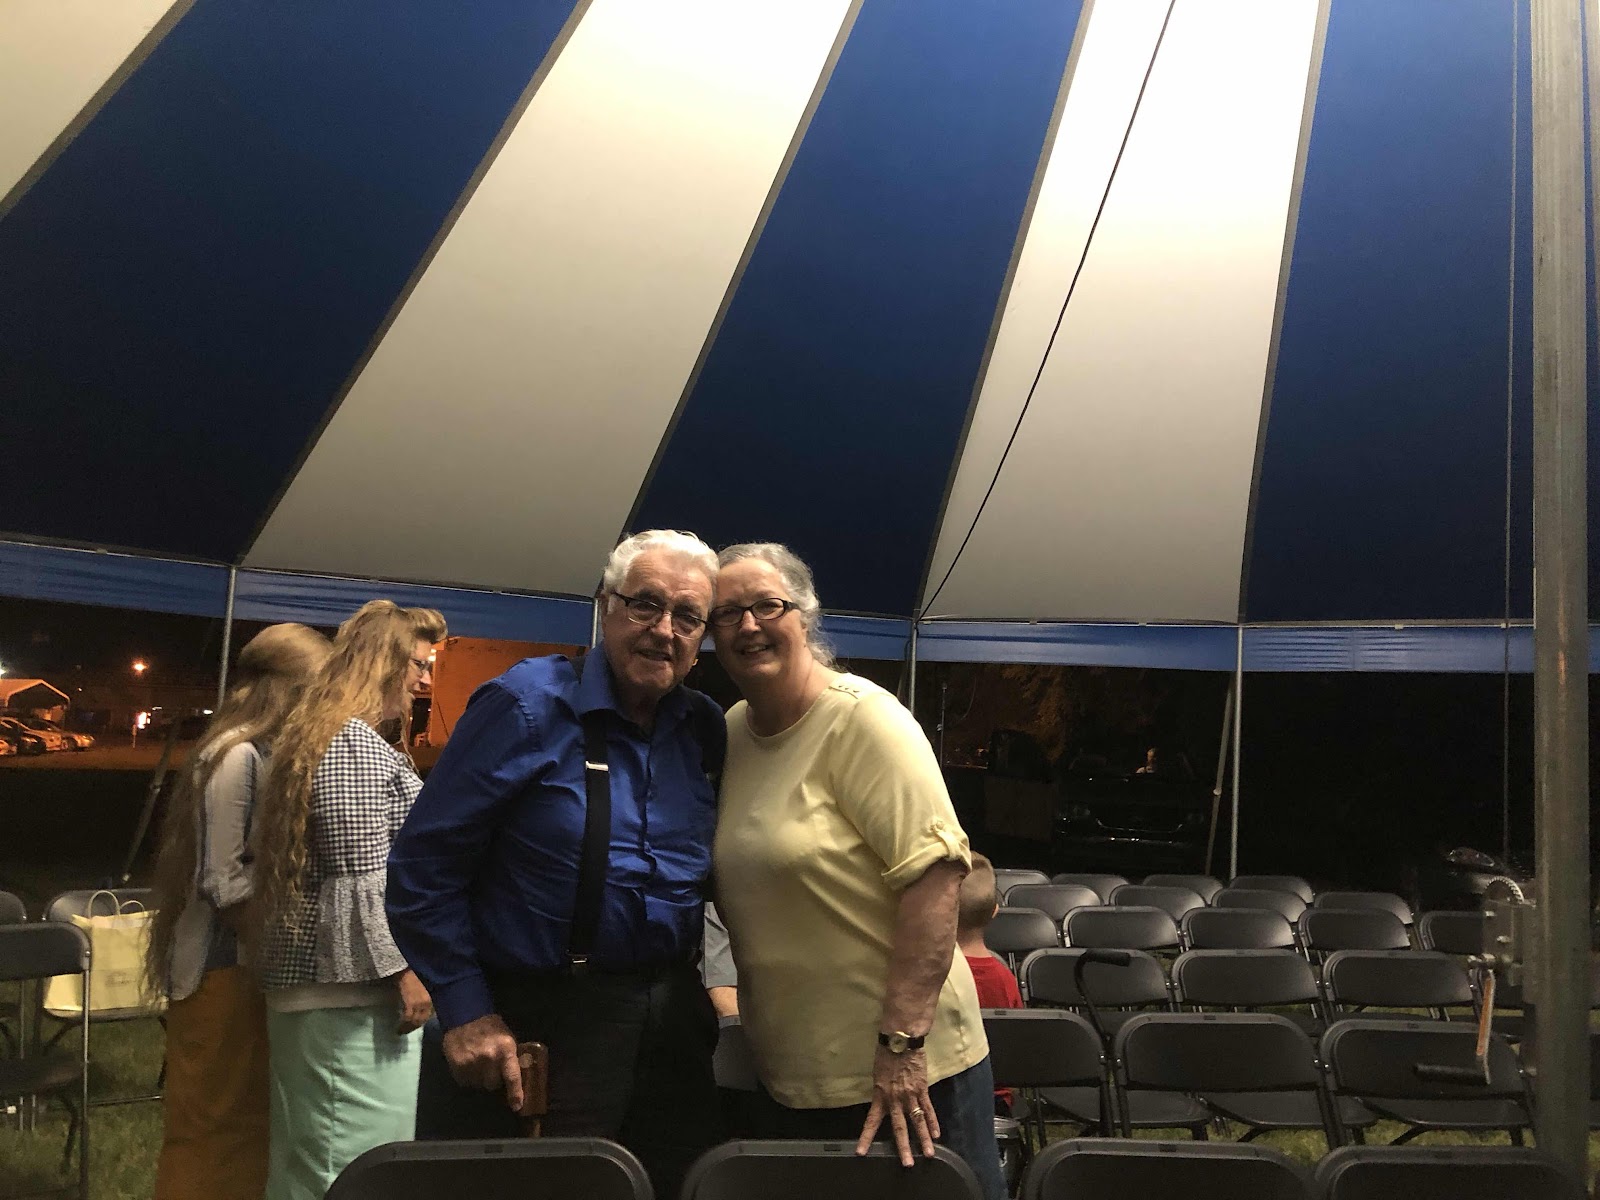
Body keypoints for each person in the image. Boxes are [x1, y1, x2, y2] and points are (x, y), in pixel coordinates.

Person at [386, 530, 724, 1200]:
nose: (664, 630)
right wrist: (466, 1008)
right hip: (544, 1023)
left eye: (687, 616)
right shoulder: (526, 705)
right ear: (605, 604)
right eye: (645, 604)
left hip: (673, 1025)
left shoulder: (705, 728)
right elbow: (423, 866)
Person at [709, 542, 1006, 1200]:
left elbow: (935, 879)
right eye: (726, 613)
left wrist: (901, 1045)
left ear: (805, 614)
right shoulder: (730, 733)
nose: (748, 625)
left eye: (767, 605)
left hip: (903, 1074)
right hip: (790, 1077)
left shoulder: (864, 720)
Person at [250, 600, 446, 1200]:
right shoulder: (351, 745)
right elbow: (357, 875)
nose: (426, 680)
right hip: (347, 1001)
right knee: (351, 1172)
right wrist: (403, 970)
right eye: (418, 664)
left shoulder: (330, 735)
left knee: (317, 1167)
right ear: (383, 663)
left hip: (333, 996)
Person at [144, 624, 331, 1200]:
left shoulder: (256, 752)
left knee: (249, 1124)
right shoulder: (235, 756)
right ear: (288, 688)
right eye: (316, 688)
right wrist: (282, 948)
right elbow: (222, 882)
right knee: (211, 1129)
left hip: (242, 969)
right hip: (222, 970)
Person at [956, 853, 1022, 1115]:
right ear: (995, 910)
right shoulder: (1005, 980)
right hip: (996, 1101)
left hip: (940, 1094)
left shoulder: (934, 976)